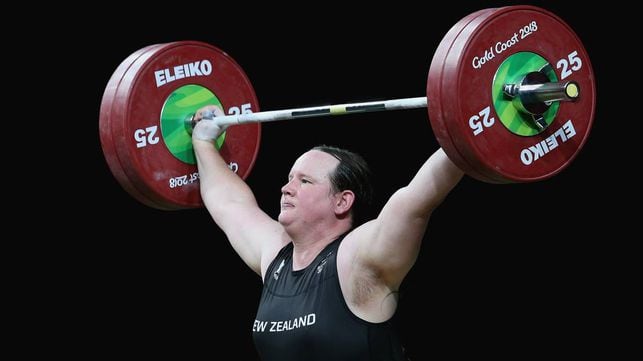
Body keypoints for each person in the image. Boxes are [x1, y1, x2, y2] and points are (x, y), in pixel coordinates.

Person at [191, 105, 464, 361]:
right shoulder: (275, 255)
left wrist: (470, 124)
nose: (287, 188)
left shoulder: (358, 259)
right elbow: (228, 203)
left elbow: (417, 200)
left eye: (305, 181)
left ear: (342, 201)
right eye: (289, 179)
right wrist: (203, 141)